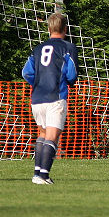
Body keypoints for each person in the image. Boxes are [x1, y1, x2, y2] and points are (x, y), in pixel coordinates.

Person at [21, 12, 78, 185]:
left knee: (43, 134)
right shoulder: (68, 47)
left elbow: (26, 72)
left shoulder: (38, 49)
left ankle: (37, 173)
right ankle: (43, 176)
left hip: (37, 98)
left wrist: (38, 82)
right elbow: (72, 73)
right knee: (52, 136)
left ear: (48, 28)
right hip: (56, 96)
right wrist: (68, 81)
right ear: (65, 29)